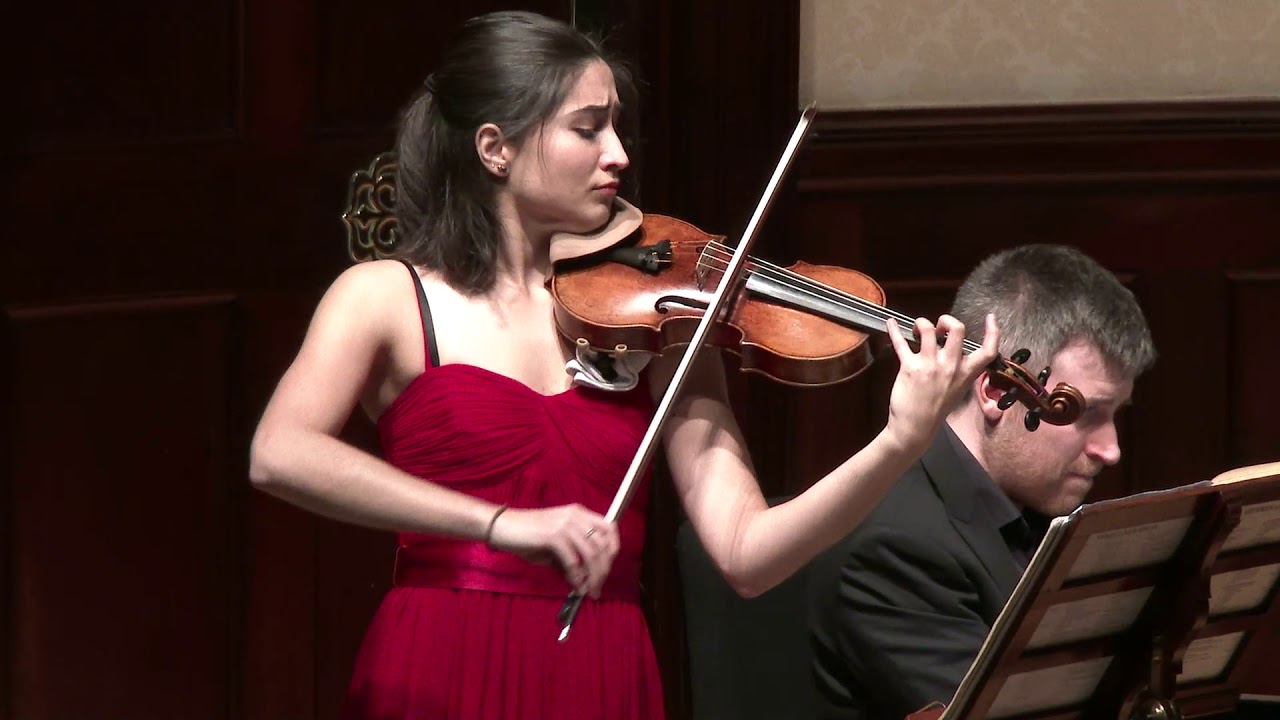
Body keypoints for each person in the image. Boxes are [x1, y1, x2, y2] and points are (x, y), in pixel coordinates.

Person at [248, 10, 999, 720]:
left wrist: (898, 442)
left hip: (599, 671)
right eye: (588, 128)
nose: (620, 155)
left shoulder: (663, 320)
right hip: (439, 662)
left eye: (616, 125)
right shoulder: (383, 297)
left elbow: (748, 554)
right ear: (494, 148)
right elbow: (279, 455)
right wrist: (498, 524)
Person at [808, 244, 1157, 720]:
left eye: (1115, 415)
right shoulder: (894, 549)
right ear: (998, 392)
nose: (1110, 449)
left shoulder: (1036, 509)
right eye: (1086, 413)